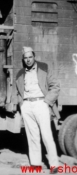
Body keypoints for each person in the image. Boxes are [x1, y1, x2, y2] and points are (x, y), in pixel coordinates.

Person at [14, 46, 60, 174]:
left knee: (47, 136)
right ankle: (35, 165)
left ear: (34, 57)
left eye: (30, 57)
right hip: (27, 105)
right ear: (23, 60)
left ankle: (54, 166)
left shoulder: (44, 68)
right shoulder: (20, 73)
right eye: (26, 58)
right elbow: (17, 91)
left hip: (41, 103)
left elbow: (55, 86)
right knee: (32, 136)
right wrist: (21, 104)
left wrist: (47, 102)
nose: (28, 60)